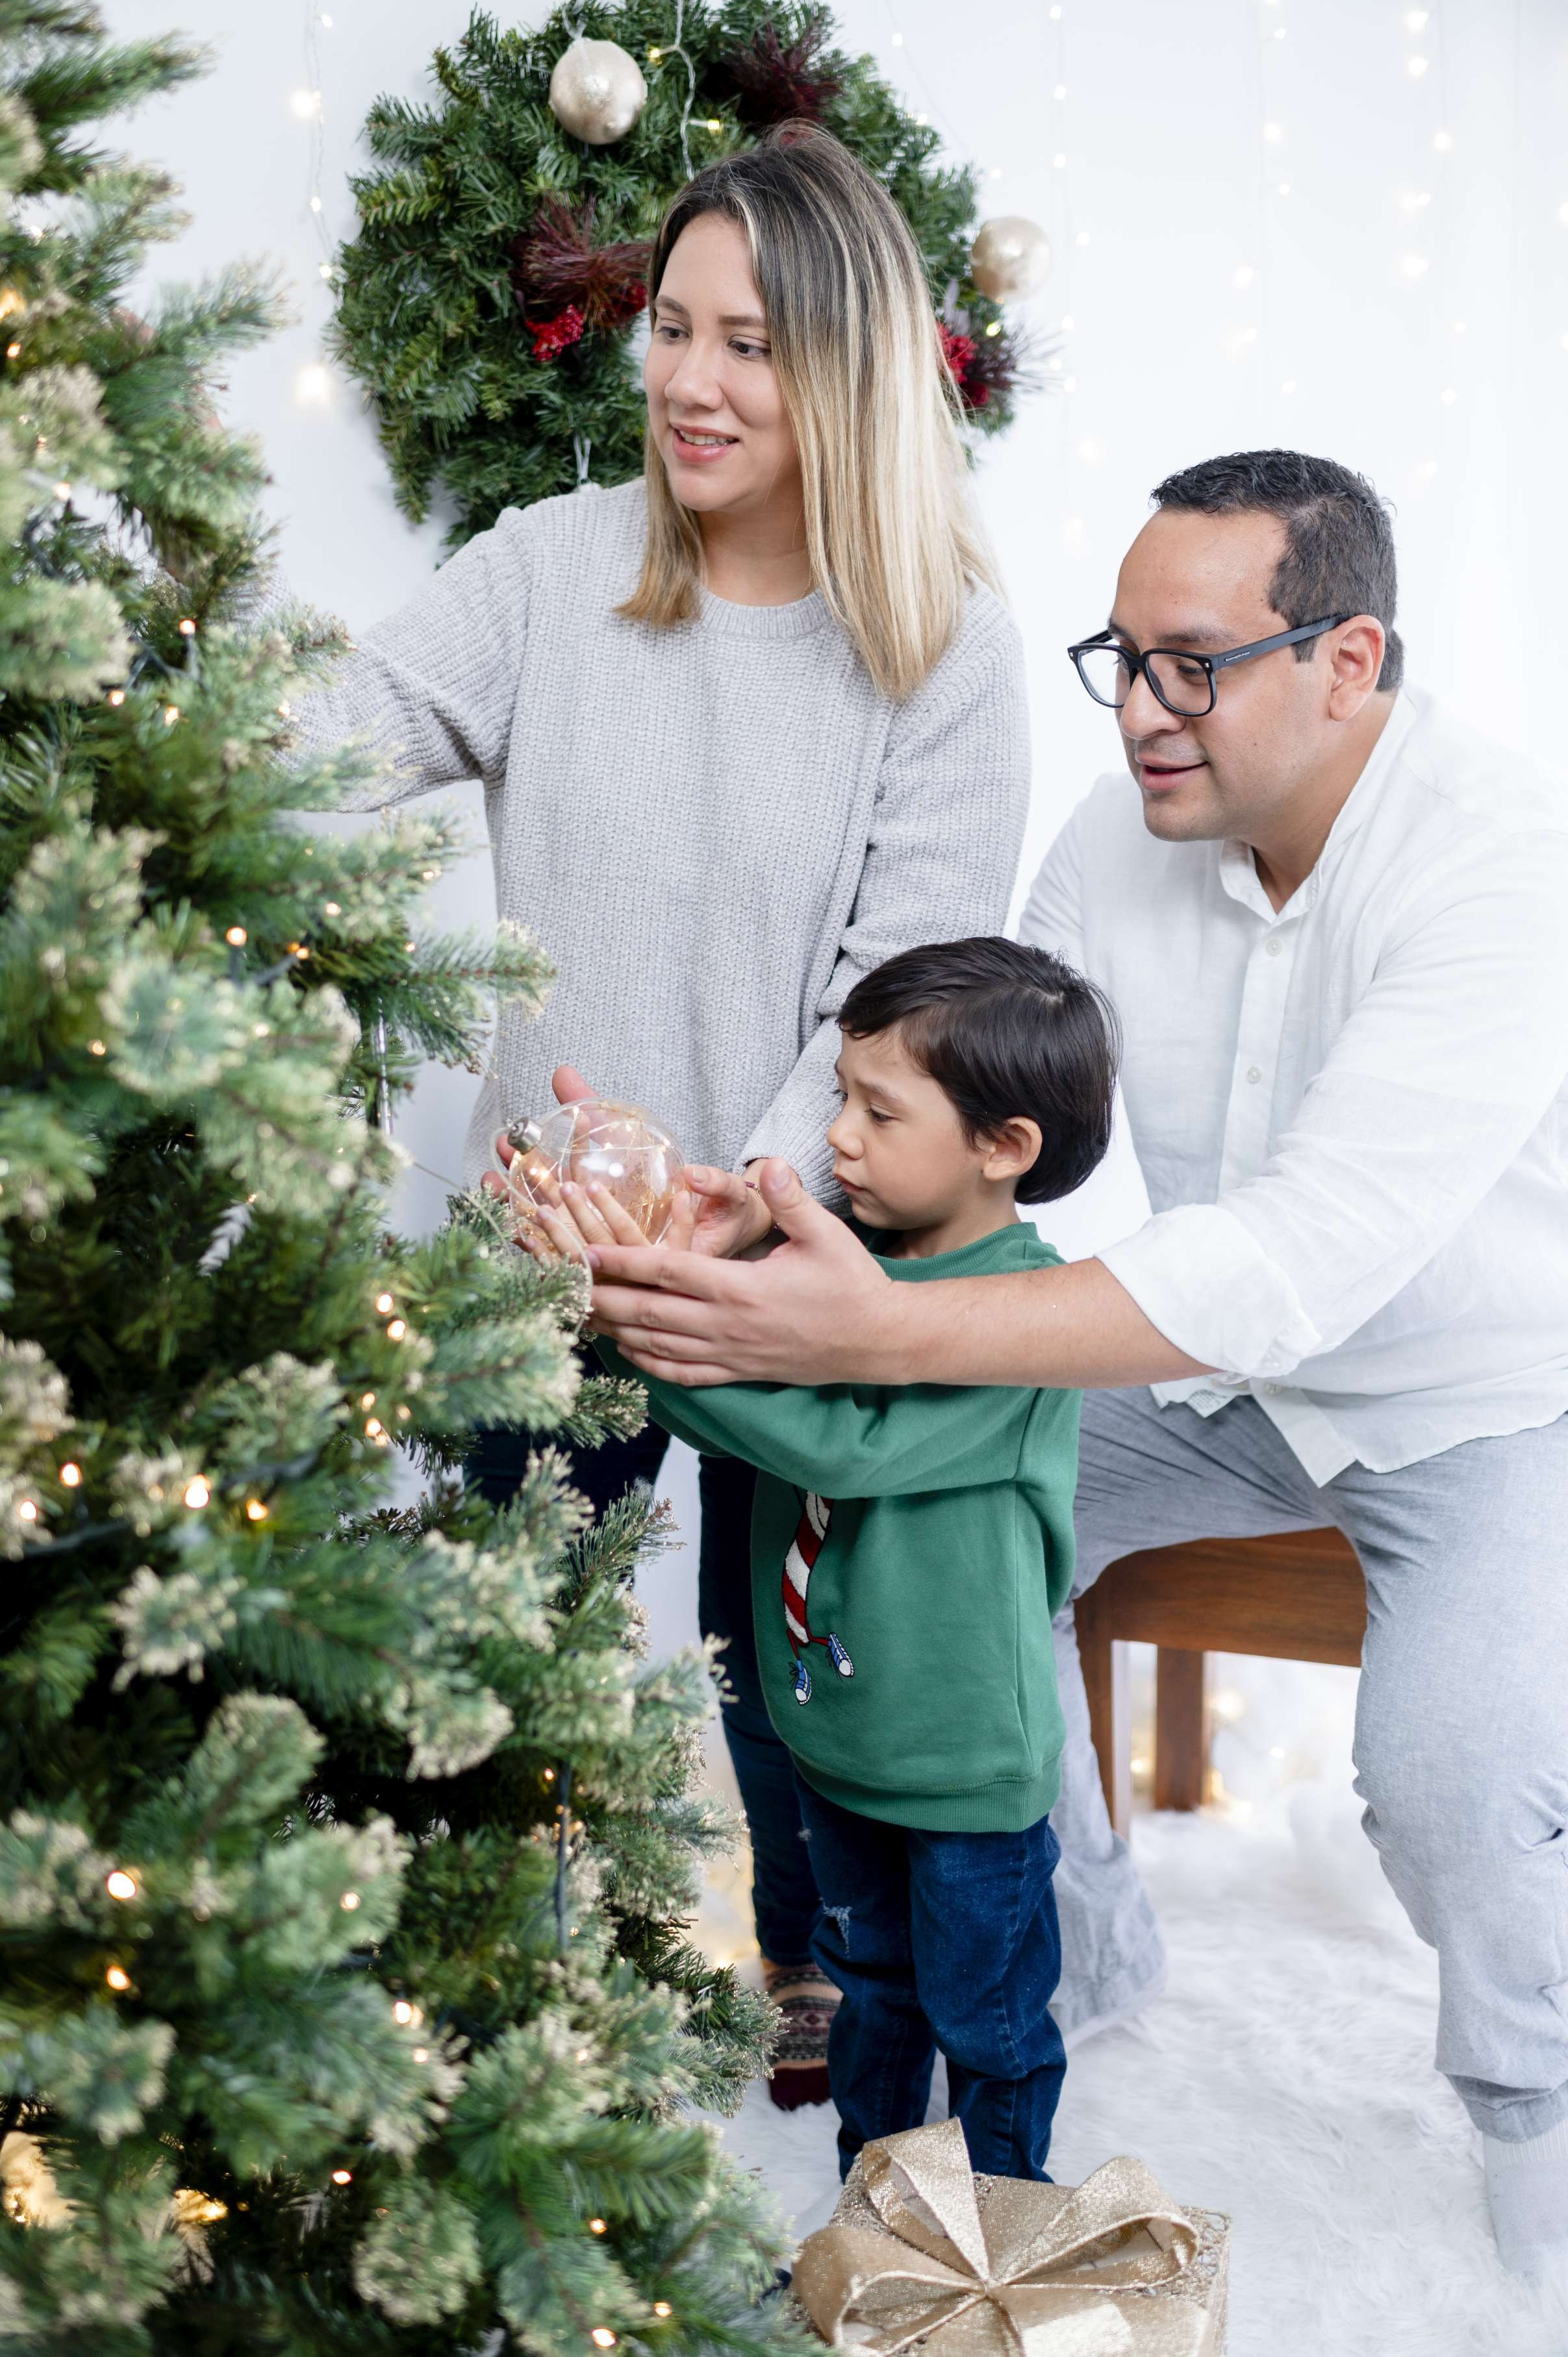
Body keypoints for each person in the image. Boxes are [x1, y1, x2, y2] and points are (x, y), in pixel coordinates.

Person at [583, 450, 1568, 2277]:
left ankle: (1532, 2111)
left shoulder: (1498, 864)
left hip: (1483, 1402)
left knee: (1449, 1779)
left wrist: (881, 1325)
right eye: (1119, 658)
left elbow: (1300, 1253)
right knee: (928, 1553)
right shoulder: (1122, 835)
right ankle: (1075, 1954)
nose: (1137, 711)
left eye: (1192, 664)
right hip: (1202, 1385)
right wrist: (748, 1203)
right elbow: (963, 1092)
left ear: (1346, 660)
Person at [294, 124, 1029, 2105]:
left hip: (797, 1247)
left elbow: (900, 989)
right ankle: (484, 1991)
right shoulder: (549, 568)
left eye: (752, 346)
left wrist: (737, 1197)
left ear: (846, 371)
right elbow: (337, 735)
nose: (691, 382)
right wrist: (182, 763)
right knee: (501, 1629)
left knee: (781, 1659)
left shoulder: (941, 647)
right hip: (542, 1239)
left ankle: (811, 1952)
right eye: (673, 328)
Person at [537, 937, 1117, 2180]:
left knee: (986, 2019)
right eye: (840, 1096)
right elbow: (752, 1413)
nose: (835, 1136)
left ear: (1003, 1144)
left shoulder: (1027, 1317)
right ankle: (878, 2206)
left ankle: (999, 2223)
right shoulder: (835, 1264)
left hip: (963, 1767)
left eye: (876, 1111)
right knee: (869, 1992)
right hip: (839, 1742)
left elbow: (841, 1448)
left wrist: (634, 1325)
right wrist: (661, 1269)